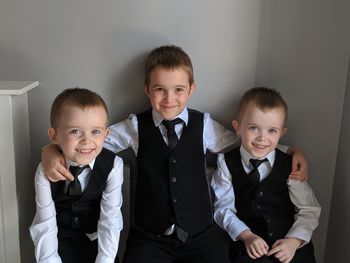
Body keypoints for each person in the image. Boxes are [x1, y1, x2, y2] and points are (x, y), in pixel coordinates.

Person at [41, 46, 308, 263]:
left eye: (179, 89)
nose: (170, 98)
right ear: (147, 89)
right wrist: (52, 149)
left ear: (191, 89)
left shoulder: (204, 125)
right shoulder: (136, 127)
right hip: (150, 238)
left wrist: (290, 151)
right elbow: (93, 139)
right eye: (160, 89)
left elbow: (249, 141)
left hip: (201, 235)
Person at [212, 87, 321, 263]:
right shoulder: (226, 163)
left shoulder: (289, 164)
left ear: (281, 133)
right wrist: (246, 236)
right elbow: (223, 209)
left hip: (290, 244)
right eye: (254, 128)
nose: (262, 138)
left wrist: (293, 241)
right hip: (249, 243)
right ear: (237, 127)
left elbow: (309, 209)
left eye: (272, 131)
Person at [30, 88, 123, 263]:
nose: (86, 141)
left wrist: (104, 259)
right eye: (75, 131)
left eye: (95, 131)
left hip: (98, 243)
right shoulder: (44, 171)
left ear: (105, 134)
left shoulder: (113, 166)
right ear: (54, 135)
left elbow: (110, 221)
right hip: (58, 243)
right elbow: (45, 224)